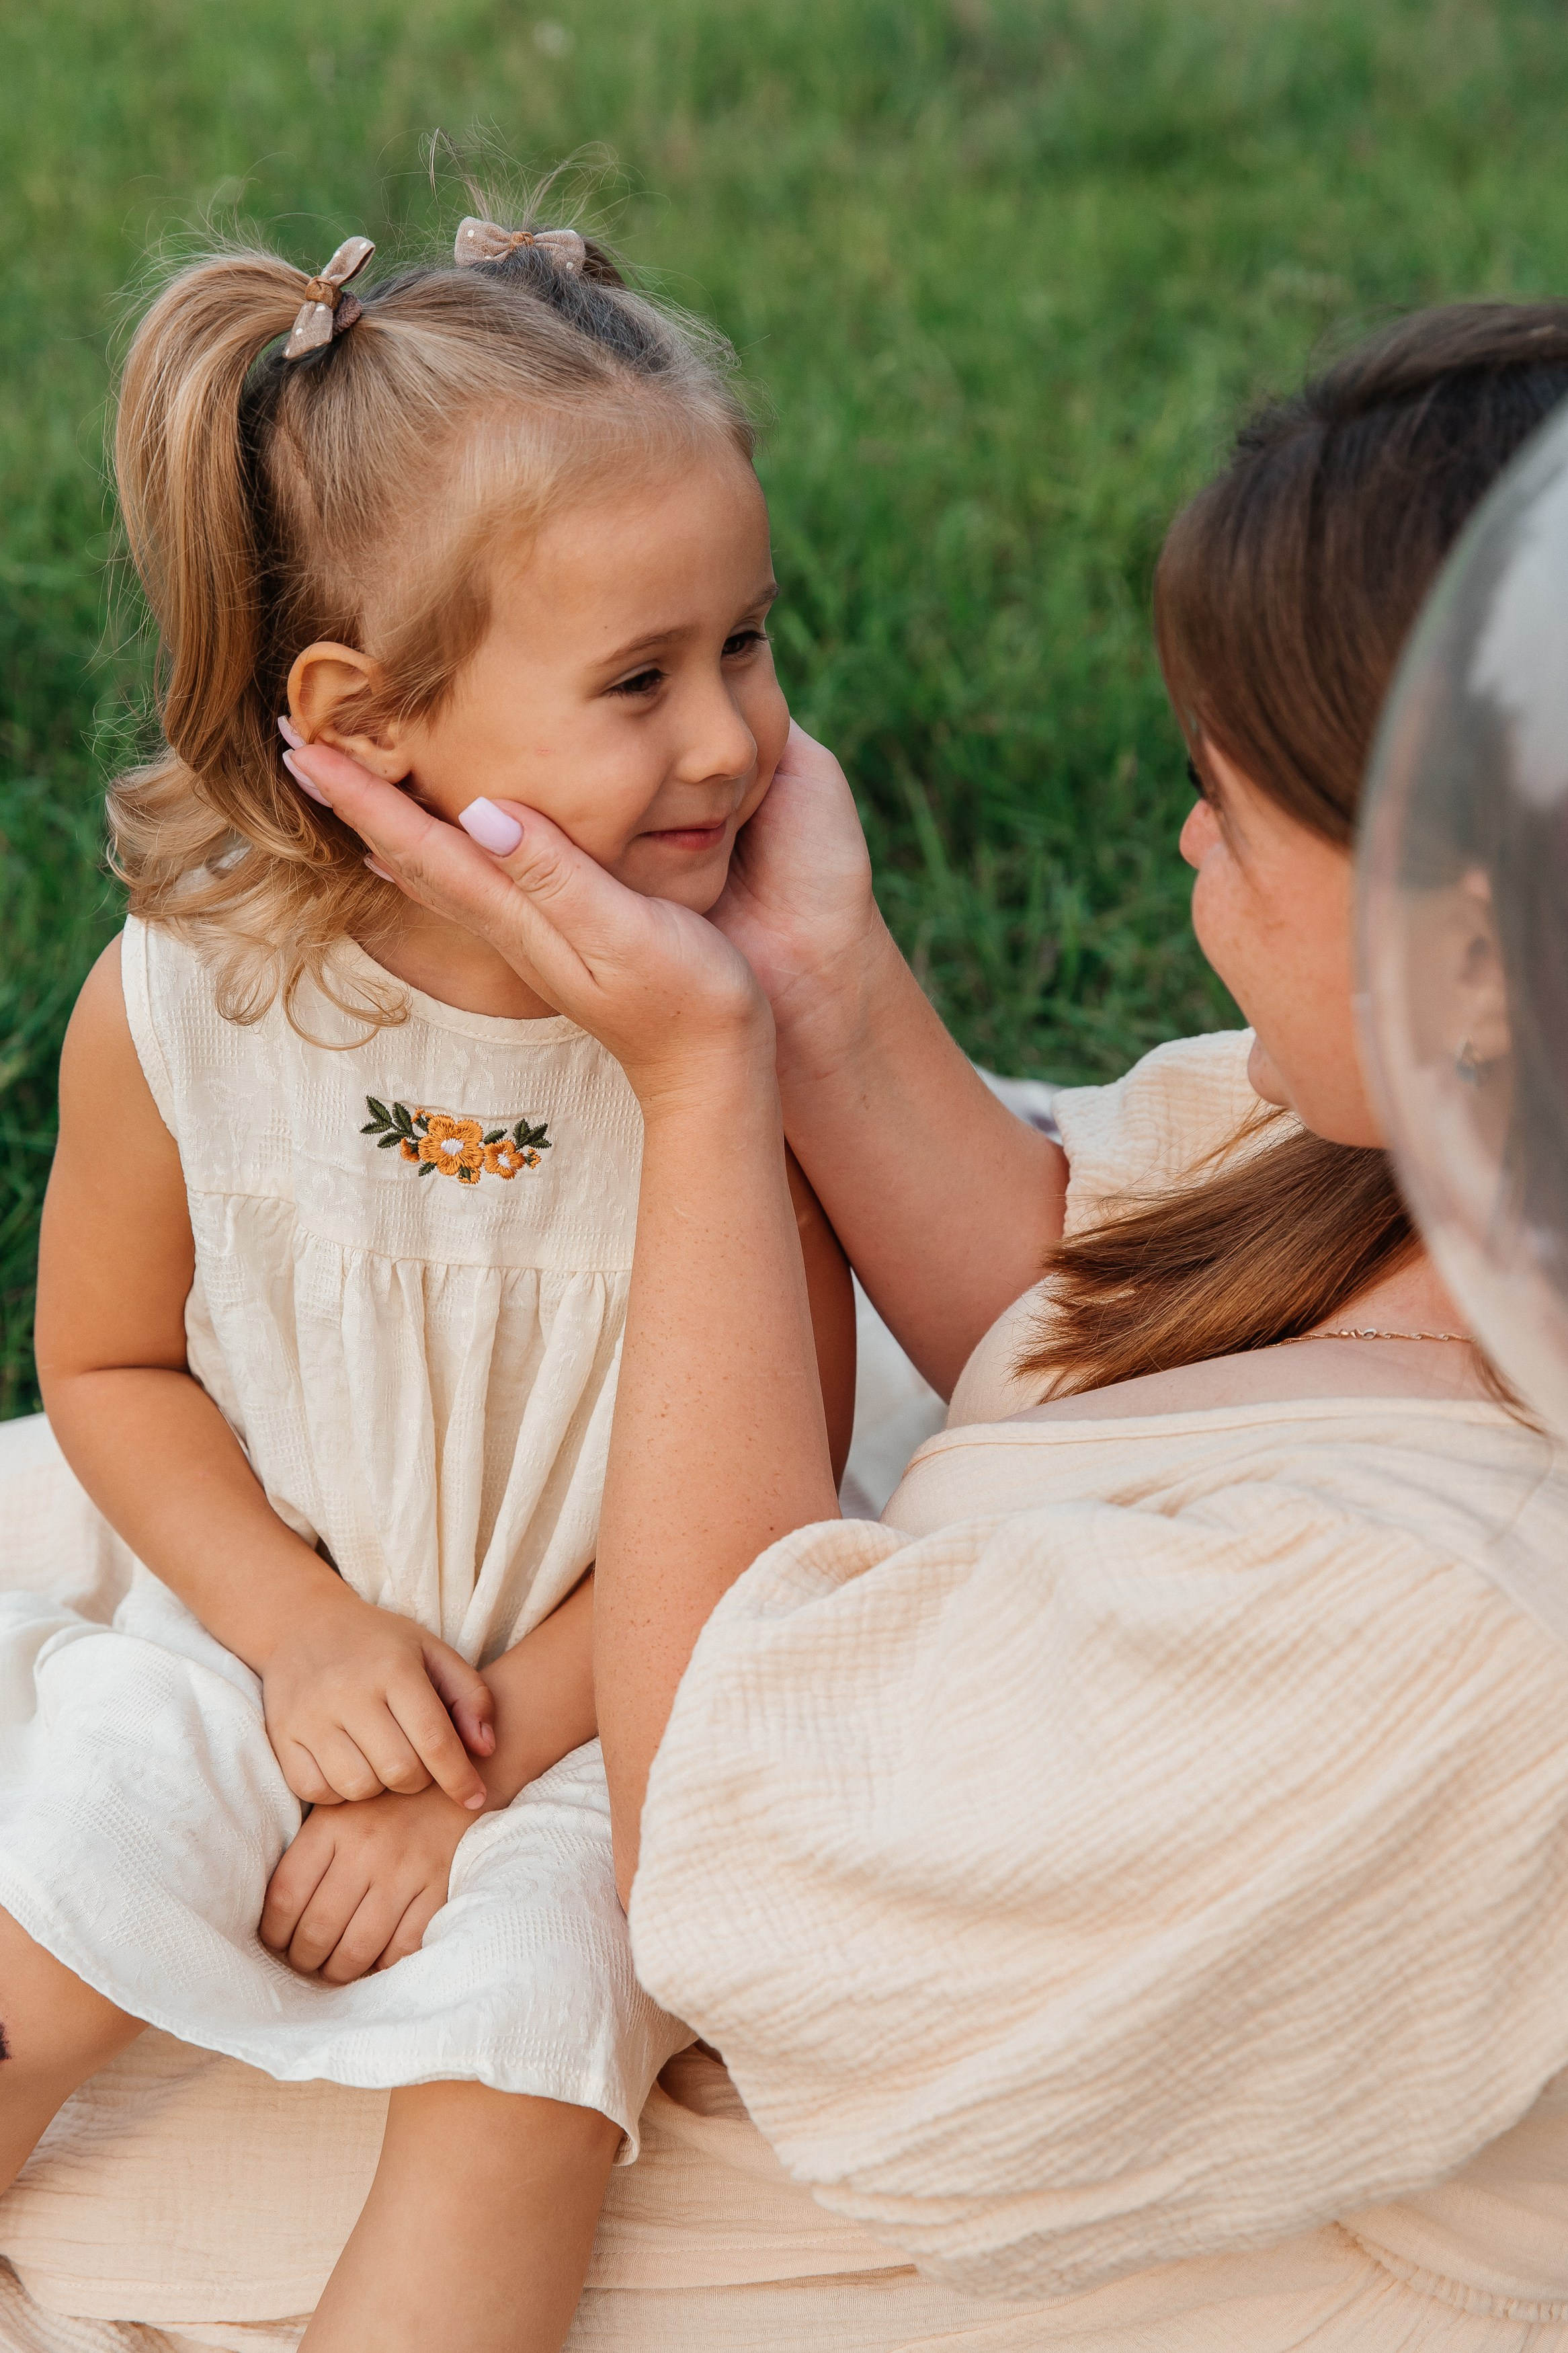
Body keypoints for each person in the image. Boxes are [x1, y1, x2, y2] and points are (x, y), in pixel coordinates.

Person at [284, 301, 1568, 2348]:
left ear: (1476, 950)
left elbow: (719, 1811)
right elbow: (1106, 1332)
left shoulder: (1448, 1648)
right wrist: (812, 969)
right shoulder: (1468, 1150)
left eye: (1228, 803)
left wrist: (710, 1095)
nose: (1180, 842)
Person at [0, 210, 852, 2353]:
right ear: (365, 720)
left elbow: (780, 1468)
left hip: (591, 1693)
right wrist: (295, 1639)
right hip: (262, 1611)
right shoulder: (188, 1009)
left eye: (749, 645)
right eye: (642, 679)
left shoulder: (731, 1020)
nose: (737, 740)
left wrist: (467, 1764)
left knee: (530, 2068)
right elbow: (104, 1361)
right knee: (51, 1903)